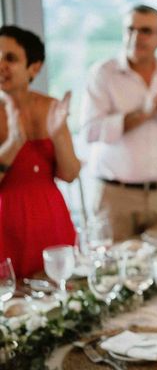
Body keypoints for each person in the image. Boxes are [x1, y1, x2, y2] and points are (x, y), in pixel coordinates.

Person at [81, 5, 157, 242]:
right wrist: (145, 113)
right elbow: (90, 131)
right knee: (112, 273)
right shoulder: (103, 74)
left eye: (146, 31)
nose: (136, 37)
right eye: (131, 29)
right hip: (114, 196)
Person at [0, 25, 80, 278]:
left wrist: (58, 136)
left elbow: (69, 174)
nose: (1, 64)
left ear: (34, 67)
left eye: (10, 58)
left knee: (56, 294)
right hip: (5, 223)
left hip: (50, 217)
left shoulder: (50, 107)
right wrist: (13, 144)